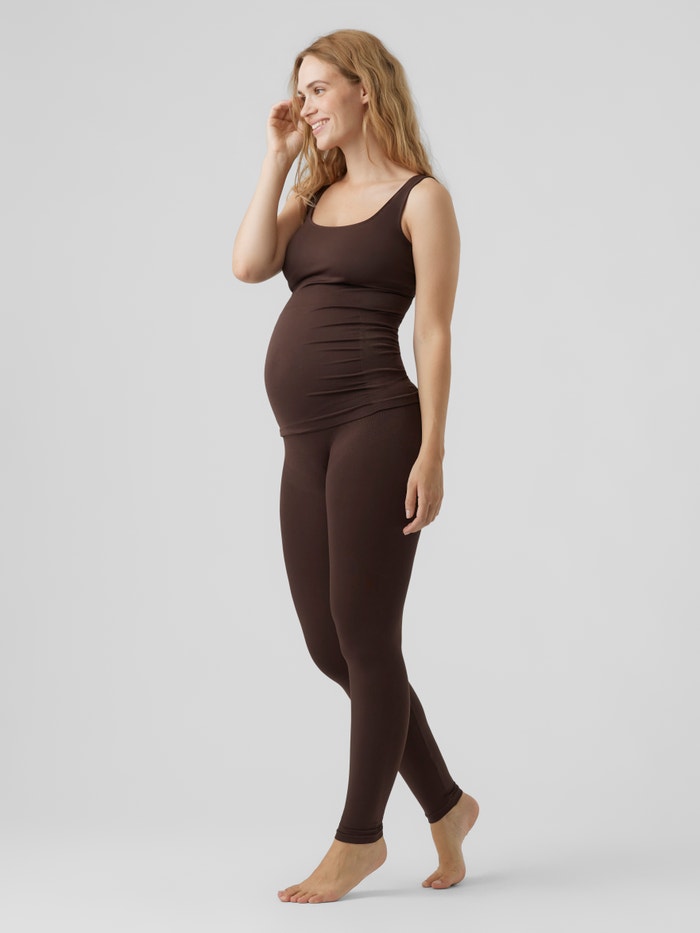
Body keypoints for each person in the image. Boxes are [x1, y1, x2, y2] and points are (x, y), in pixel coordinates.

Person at [232, 28, 479, 904]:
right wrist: (277, 159)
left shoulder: (422, 199)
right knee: (328, 644)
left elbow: (435, 332)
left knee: (367, 639)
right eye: (298, 91)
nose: (303, 105)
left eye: (316, 89)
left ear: (364, 88)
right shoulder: (313, 191)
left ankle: (359, 836)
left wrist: (432, 450)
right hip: (303, 441)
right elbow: (249, 264)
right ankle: (447, 804)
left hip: (377, 426)